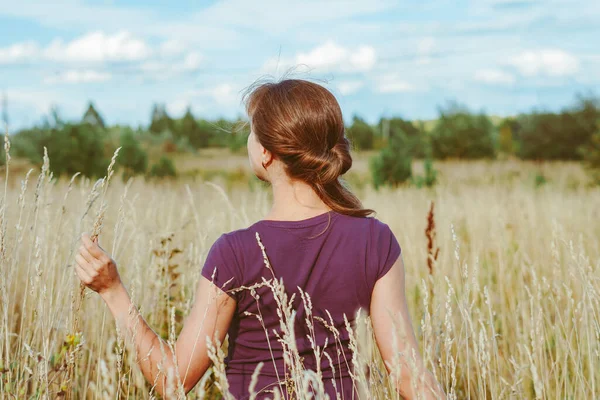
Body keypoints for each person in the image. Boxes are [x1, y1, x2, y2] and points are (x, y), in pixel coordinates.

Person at [75, 79, 445, 399]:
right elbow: (407, 374)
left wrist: (113, 292)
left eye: (252, 132)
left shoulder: (235, 253)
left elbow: (173, 380)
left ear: (266, 154)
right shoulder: (375, 241)